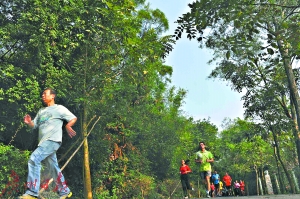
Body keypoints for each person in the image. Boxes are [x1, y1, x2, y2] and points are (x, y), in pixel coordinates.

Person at [19, 88, 77, 199]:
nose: (43, 96)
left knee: (34, 159)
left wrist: (68, 125)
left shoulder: (59, 108)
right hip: (43, 143)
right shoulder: (41, 111)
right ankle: (65, 190)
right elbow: (34, 125)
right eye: (42, 94)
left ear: (52, 96)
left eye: (45, 94)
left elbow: (73, 118)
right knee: (53, 167)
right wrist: (29, 122)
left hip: (53, 140)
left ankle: (32, 192)